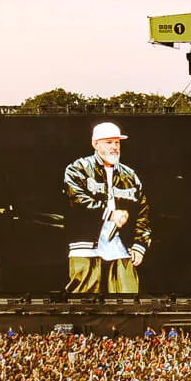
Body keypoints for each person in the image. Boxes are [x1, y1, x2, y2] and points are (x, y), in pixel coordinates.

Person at [63, 120, 148, 294]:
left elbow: (143, 212)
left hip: (121, 248)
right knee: (83, 302)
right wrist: (109, 213)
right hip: (86, 247)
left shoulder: (129, 175)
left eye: (117, 142)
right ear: (95, 144)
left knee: (127, 299)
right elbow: (76, 200)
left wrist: (140, 245)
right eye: (108, 142)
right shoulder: (77, 169)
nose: (114, 147)